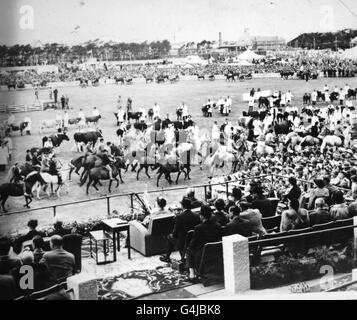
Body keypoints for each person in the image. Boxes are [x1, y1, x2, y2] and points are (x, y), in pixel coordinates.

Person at [185, 205, 222, 281]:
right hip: (216, 252)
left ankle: (192, 274)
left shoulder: (198, 228)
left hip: (203, 254)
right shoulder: (218, 225)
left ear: (201, 216)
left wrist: (190, 247)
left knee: (188, 250)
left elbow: (193, 244)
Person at [159, 197, 200, 263]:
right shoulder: (197, 216)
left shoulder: (179, 217)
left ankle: (167, 257)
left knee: (169, 236)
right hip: (194, 240)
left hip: (183, 242)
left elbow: (174, 233)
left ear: (183, 206)